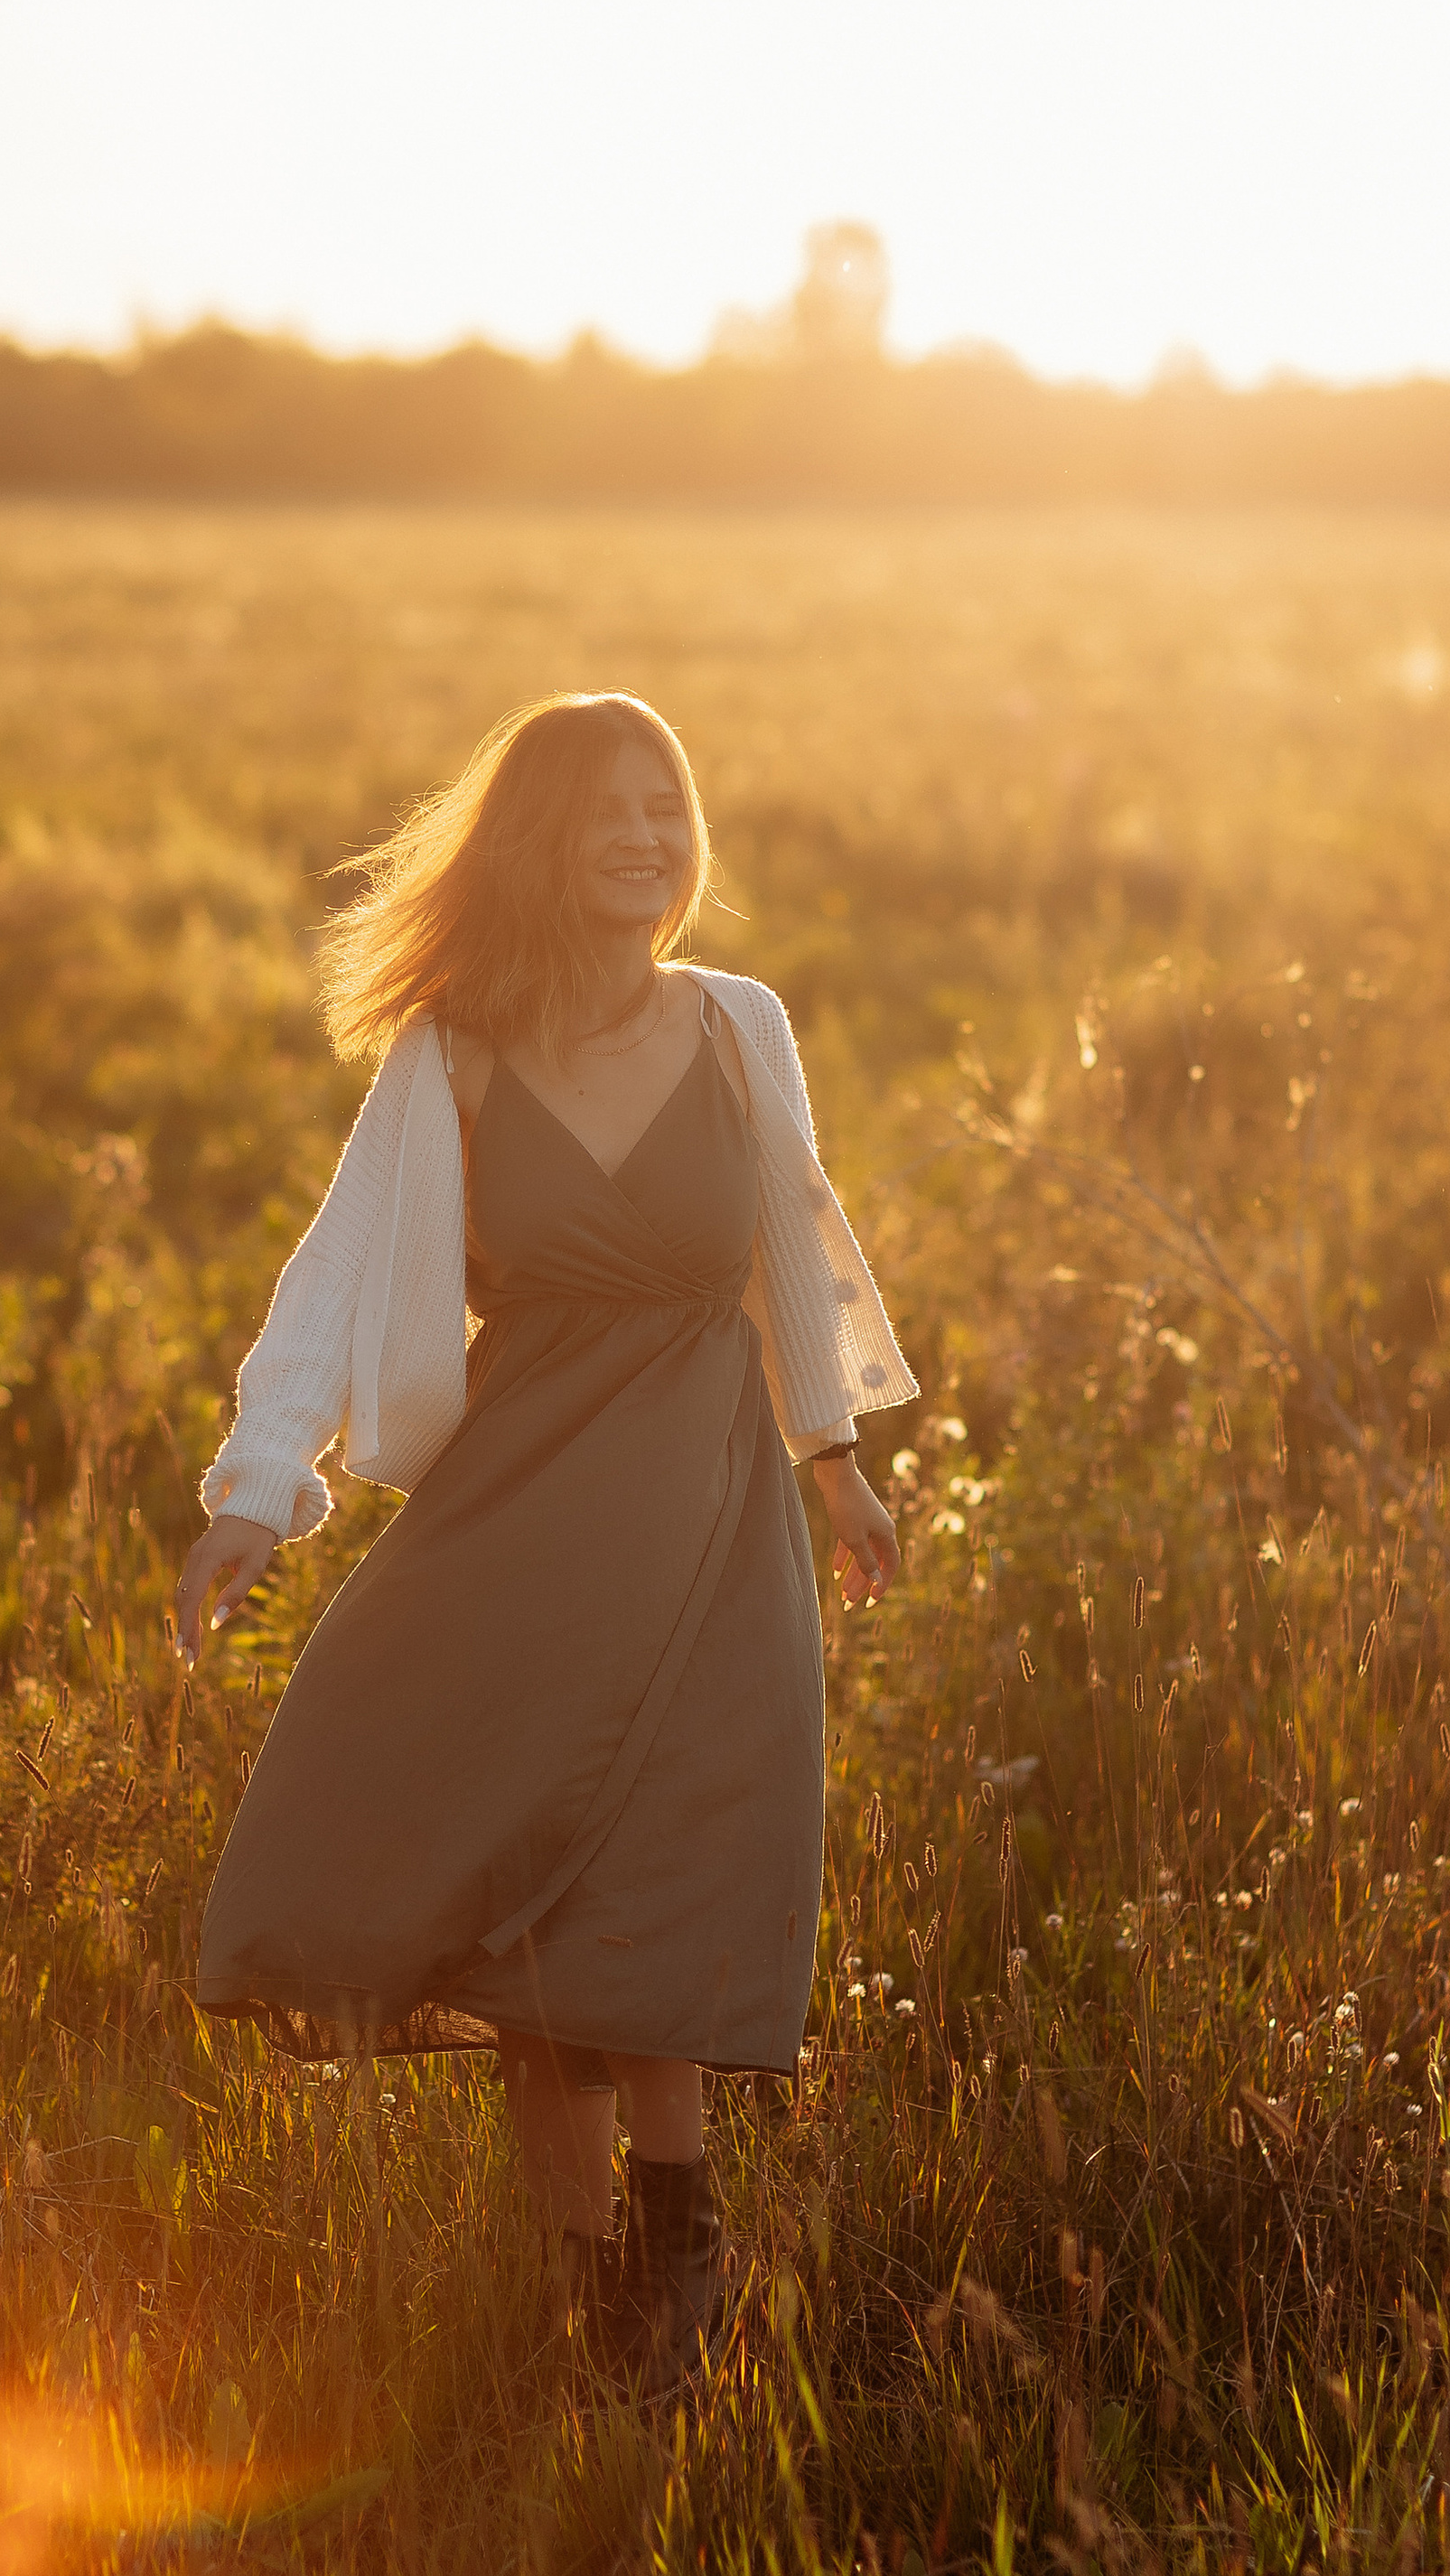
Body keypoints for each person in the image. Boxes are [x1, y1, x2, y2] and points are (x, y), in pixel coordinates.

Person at [174, 693, 914, 2394]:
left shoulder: (740, 1025)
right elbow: (342, 1268)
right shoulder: (454, 1049)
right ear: (539, 838)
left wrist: (836, 1458)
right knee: (525, 1900)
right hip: (524, 1510)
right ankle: (581, 2287)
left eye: (670, 807)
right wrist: (253, 1490)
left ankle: (679, 2243)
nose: (650, 838)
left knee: (668, 1868)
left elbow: (788, 1249)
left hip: (713, 1505)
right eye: (611, 811)